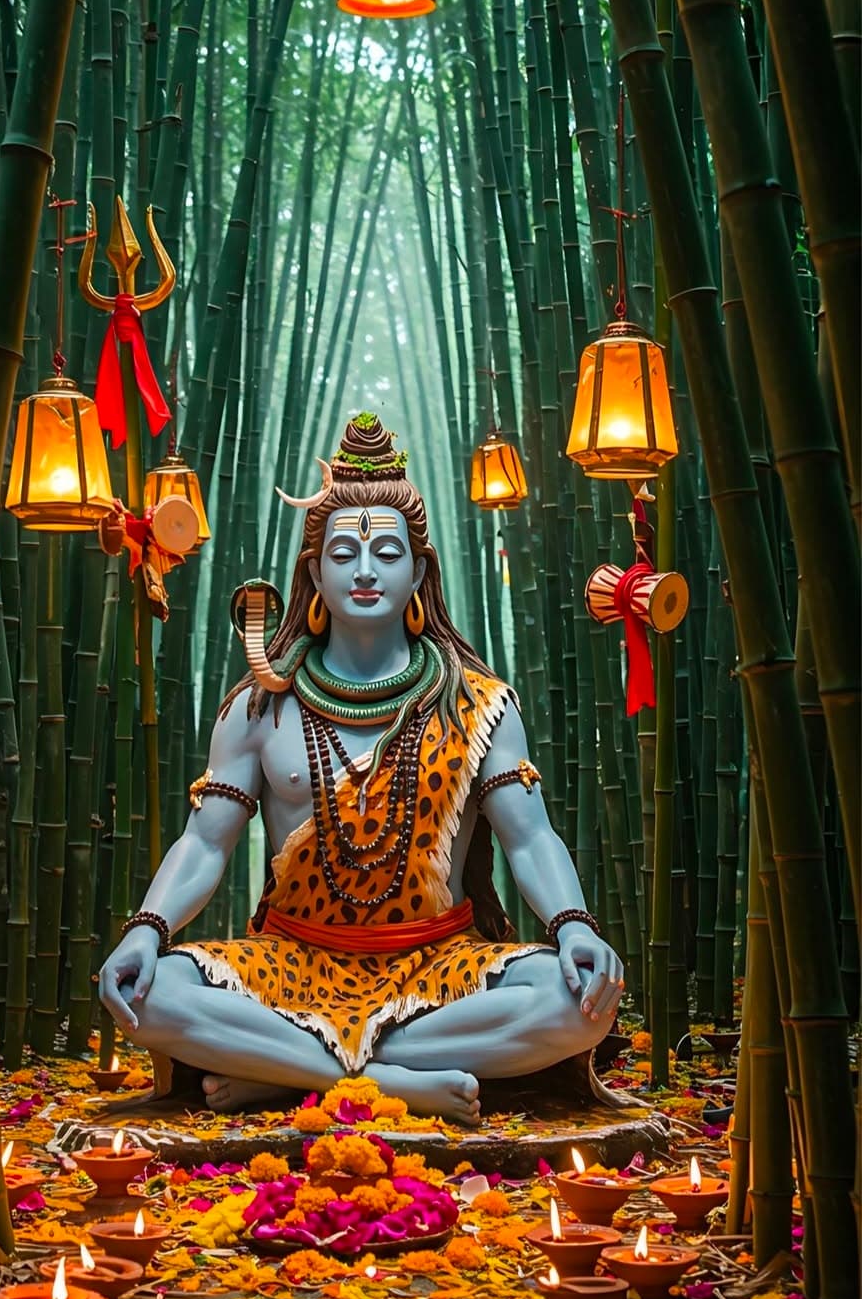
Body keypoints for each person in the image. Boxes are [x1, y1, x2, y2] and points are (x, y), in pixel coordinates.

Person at [99, 414, 624, 1124]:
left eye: (386, 551)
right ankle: (387, 1080)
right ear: (315, 570)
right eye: (344, 552)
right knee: (153, 988)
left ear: (419, 569)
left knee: (576, 1000)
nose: (366, 570)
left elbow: (530, 839)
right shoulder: (261, 704)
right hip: (291, 964)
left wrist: (575, 927)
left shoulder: (478, 702)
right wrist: (144, 929)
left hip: (439, 965)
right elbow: (204, 841)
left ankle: (291, 1073)